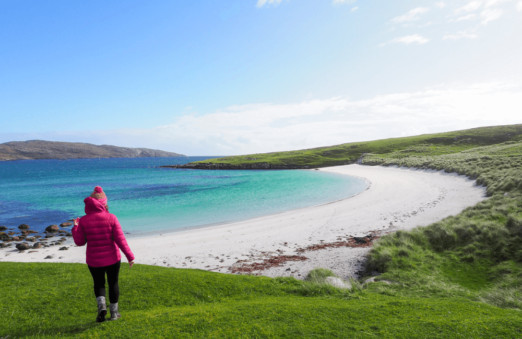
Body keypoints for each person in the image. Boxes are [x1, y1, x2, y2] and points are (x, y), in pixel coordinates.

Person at [72, 186, 135, 322]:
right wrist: (130, 256)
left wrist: (75, 227)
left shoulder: (83, 221)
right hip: (112, 258)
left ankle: (102, 308)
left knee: (99, 284)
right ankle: (114, 314)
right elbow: (121, 240)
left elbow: (80, 242)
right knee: (113, 284)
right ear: (104, 203)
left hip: (94, 260)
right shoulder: (111, 218)